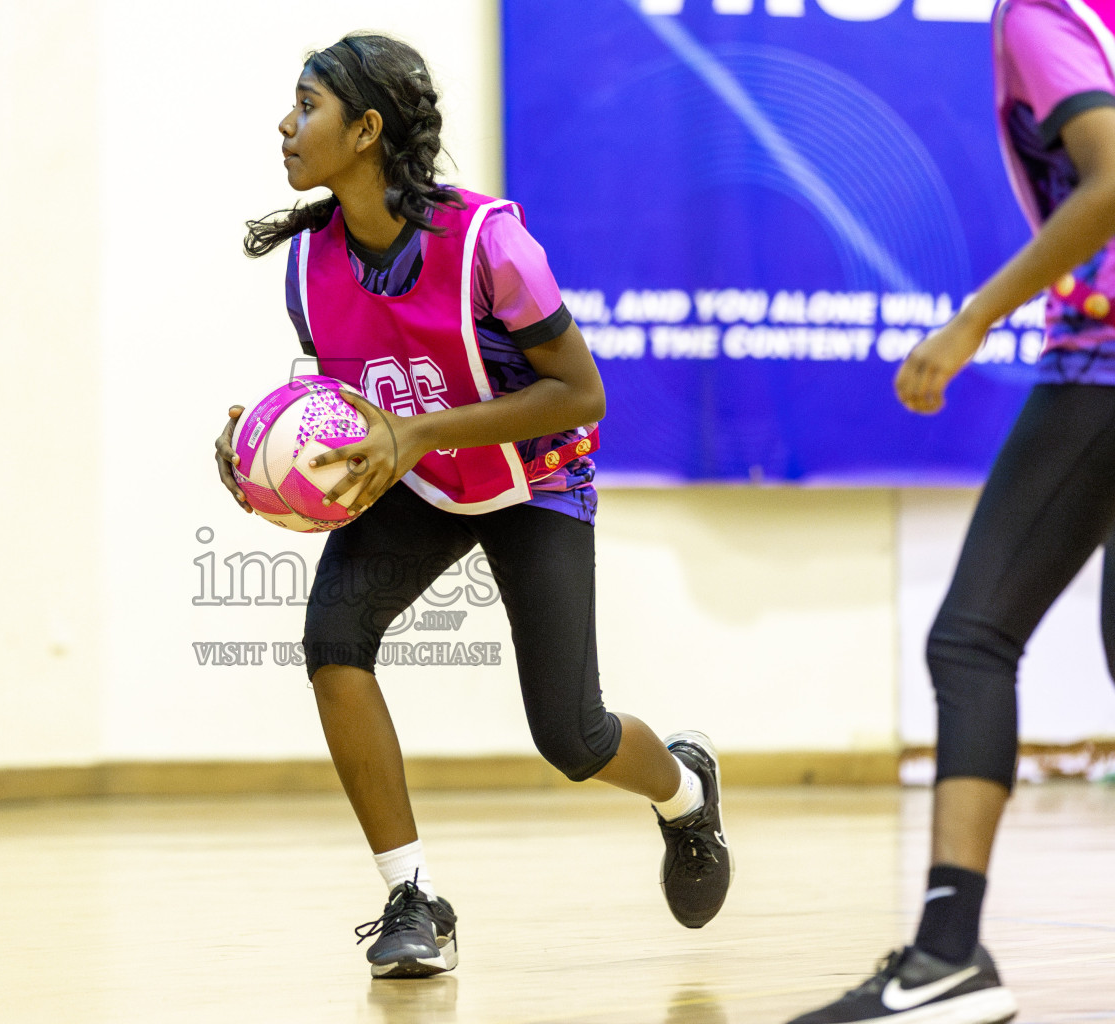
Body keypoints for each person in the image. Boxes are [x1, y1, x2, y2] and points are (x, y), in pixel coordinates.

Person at [214, 33, 733, 979]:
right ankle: (413, 898)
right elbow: (353, 413)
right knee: (332, 643)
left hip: (534, 477)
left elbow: (582, 393)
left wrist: (415, 435)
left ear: (366, 131)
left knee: (572, 739)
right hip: (422, 480)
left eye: (307, 106)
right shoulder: (309, 266)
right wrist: (263, 462)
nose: (285, 126)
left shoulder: (490, 242)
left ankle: (685, 790)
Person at [787, 1, 1115, 1021]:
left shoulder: (1045, 17)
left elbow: (1110, 183)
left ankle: (947, 956)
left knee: (971, 638)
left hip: (1104, 367)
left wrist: (973, 317)